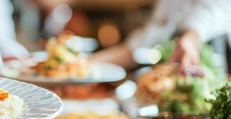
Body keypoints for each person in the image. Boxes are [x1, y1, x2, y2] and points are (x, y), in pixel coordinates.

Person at [89, 0, 231, 74]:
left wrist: (190, 37)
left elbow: (216, 8)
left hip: (213, 74)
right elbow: (144, 41)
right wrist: (86, 64)